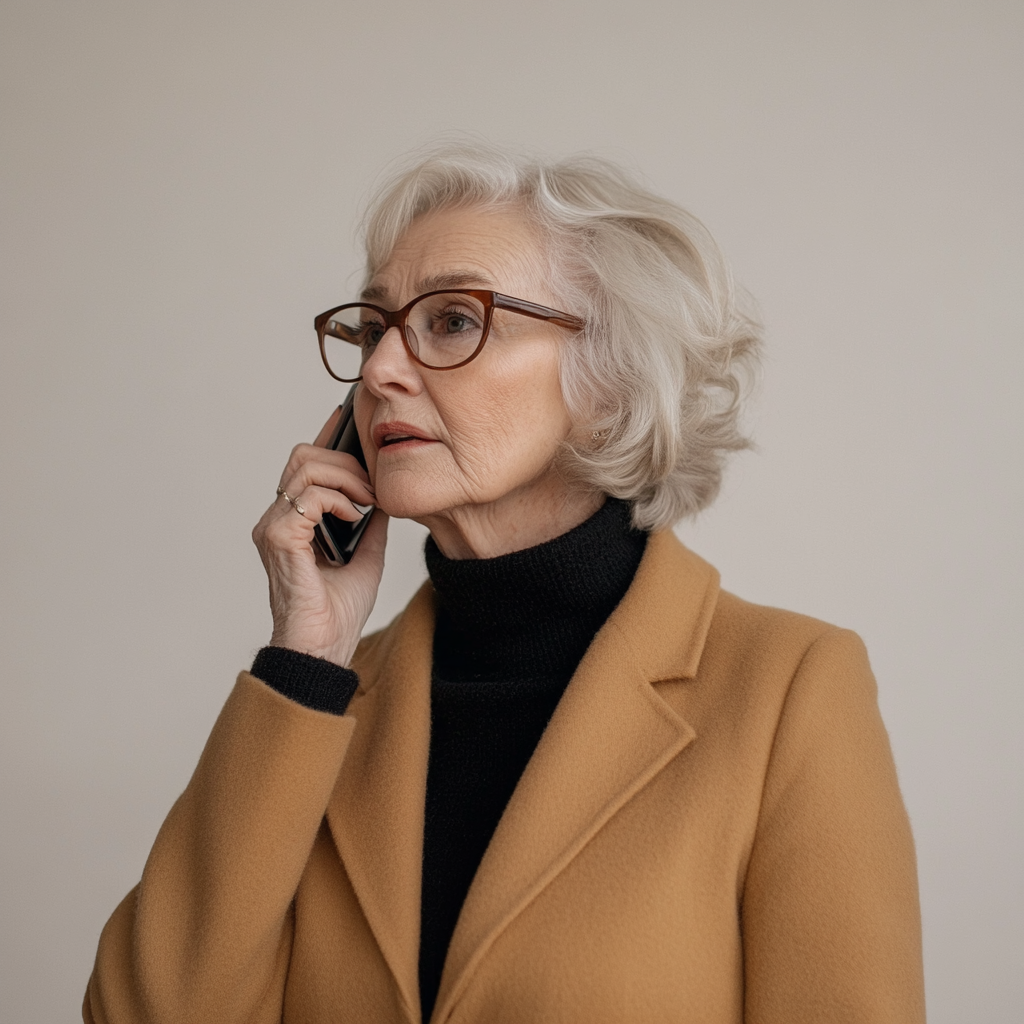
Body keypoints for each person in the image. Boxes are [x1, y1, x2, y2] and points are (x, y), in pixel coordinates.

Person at [84, 144, 926, 1024]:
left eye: (451, 321)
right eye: (373, 330)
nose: (379, 372)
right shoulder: (322, 707)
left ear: (610, 375)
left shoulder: (791, 688)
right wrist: (305, 660)